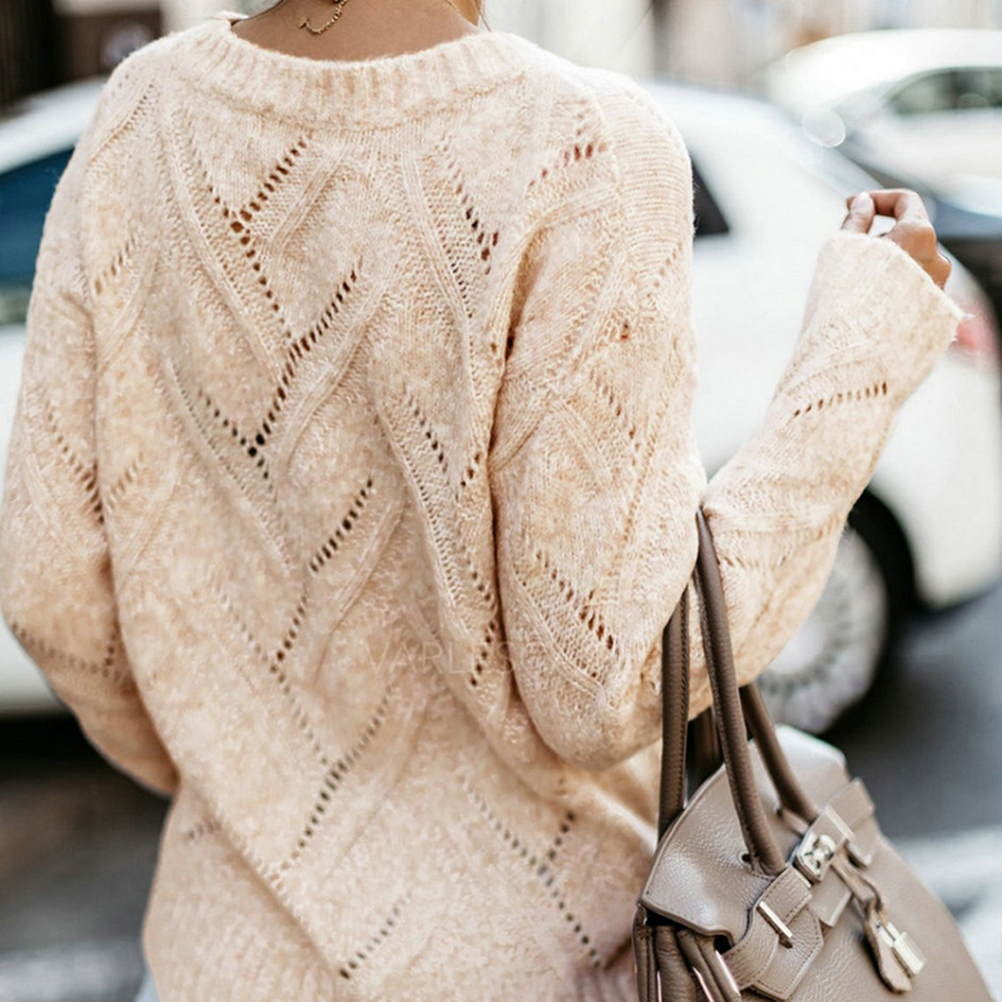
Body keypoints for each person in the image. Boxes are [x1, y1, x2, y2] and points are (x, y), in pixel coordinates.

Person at [0, 0, 963, 998]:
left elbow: (49, 589)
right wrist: (860, 353)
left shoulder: (137, 116)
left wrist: (253, 777)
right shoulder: (580, 144)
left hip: (217, 961)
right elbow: (610, 675)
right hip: (531, 965)